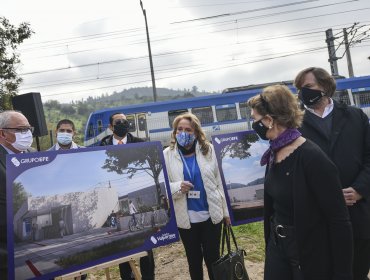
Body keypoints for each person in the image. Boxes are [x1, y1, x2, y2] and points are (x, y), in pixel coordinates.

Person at [247, 85, 353, 280]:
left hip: (308, 251)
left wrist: (343, 274)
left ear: (270, 120)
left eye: (255, 120)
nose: (254, 126)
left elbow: (339, 220)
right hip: (278, 247)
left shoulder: (312, 158)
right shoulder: (274, 153)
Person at [294, 67, 370, 280]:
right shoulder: (296, 126)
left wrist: (359, 190)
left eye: (308, 86)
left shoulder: (355, 116)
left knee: (357, 273)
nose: (303, 92)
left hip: (357, 214)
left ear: (325, 86)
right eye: (300, 89)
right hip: (319, 219)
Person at [163, 112, 230, 280]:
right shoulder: (167, 155)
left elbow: (219, 181)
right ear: (174, 132)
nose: (183, 133)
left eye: (188, 129)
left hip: (211, 217)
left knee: (213, 260)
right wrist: (178, 186)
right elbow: (162, 187)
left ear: (196, 132)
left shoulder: (209, 150)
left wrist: (226, 212)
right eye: (179, 129)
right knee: (194, 262)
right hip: (186, 221)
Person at [100, 112, 155, 280]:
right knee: (123, 252)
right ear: (111, 127)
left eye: (125, 121)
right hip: (115, 193)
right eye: (118, 122)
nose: (123, 123)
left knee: (146, 250)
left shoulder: (141, 144)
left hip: (129, 186)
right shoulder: (101, 147)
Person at [0, 110, 35, 278]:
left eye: (28, 129)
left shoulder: (34, 154)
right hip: (6, 257)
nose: (27, 134)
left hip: (32, 253)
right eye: (21, 130)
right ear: (2, 133)